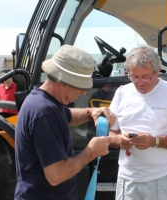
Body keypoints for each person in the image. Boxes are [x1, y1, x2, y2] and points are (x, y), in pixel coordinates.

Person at [14, 45, 116, 200]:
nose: (83, 92)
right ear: (64, 82)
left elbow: (66, 115)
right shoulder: (44, 113)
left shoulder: (44, 103)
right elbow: (56, 175)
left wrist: (90, 112)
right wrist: (91, 152)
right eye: (80, 86)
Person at [108, 45, 167, 200]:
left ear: (158, 71)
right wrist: (120, 140)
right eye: (134, 76)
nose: (140, 82)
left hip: (164, 179)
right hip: (128, 179)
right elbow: (111, 134)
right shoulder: (122, 93)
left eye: (145, 76)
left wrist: (154, 141)